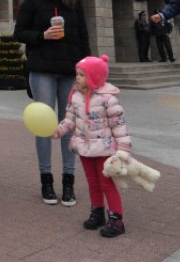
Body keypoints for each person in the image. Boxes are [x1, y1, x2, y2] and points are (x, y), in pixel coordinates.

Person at [14, 0, 91, 206]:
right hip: (42, 71)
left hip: (70, 71)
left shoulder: (74, 1)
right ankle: (46, 180)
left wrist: (87, 70)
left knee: (69, 125)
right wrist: (42, 35)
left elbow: (83, 36)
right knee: (44, 126)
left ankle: (68, 182)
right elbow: (20, 33)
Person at [52, 55, 130, 237]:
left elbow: (119, 125)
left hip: (105, 149)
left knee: (107, 184)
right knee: (92, 182)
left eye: (81, 75)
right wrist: (58, 131)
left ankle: (117, 219)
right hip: (85, 148)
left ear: (93, 76)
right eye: (77, 74)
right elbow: (69, 120)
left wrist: (123, 150)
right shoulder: (75, 96)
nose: (77, 78)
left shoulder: (108, 99)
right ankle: (97, 212)